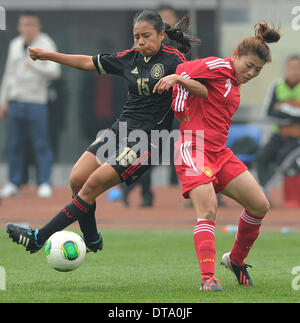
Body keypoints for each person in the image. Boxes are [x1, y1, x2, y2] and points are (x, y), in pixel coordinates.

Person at [6, 10, 206, 254]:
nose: (140, 42)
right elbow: (87, 62)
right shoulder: (129, 58)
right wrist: (48, 55)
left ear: (161, 35)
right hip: (120, 130)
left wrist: (178, 79)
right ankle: (91, 239)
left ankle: (39, 237)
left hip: (149, 140)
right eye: (136, 36)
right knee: (77, 179)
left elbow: (203, 90)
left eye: (146, 36)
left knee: (91, 185)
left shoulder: (176, 60)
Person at [153, 22, 280, 290]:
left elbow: (203, 91)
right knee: (209, 209)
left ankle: (235, 260)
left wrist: (191, 89)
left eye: (258, 69)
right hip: (193, 148)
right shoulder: (219, 66)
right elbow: (182, 70)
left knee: (260, 205)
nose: (252, 72)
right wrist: (179, 107)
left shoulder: (233, 81)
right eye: (249, 65)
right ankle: (207, 278)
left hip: (219, 153)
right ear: (236, 54)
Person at [120, 5, 181, 207]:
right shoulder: (142, 44)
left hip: (176, 110)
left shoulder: (179, 48)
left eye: (168, 18)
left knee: (185, 149)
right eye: (161, 18)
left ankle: (196, 190)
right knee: (147, 154)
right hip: (149, 112)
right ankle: (141, 191)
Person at [0, 12, 61, 198]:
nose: (28, 28)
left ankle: (44, 182)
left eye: (31, 24)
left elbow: (55, 71)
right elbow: (9, 74)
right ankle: (13, 182)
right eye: (24, 24)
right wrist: (3, 100)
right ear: (19, 27)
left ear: (38, 26)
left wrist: (33, 65)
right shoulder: (15, 44)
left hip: (37, 103)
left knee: (41, 144)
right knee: (15, 145)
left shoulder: (46, 43)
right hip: (16, 101)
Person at [256, 55, 300, 199]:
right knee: (262, 157)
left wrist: (284, 108)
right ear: (286, 69)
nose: (294, 71)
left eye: (297, 68)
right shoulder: (276, 86)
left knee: (283, 160)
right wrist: (293, 114)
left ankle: (263, 191)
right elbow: (269, 113)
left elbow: (279, 112)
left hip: (297, 139)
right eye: (291, 68)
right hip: (278, 135)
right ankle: (263, 192)